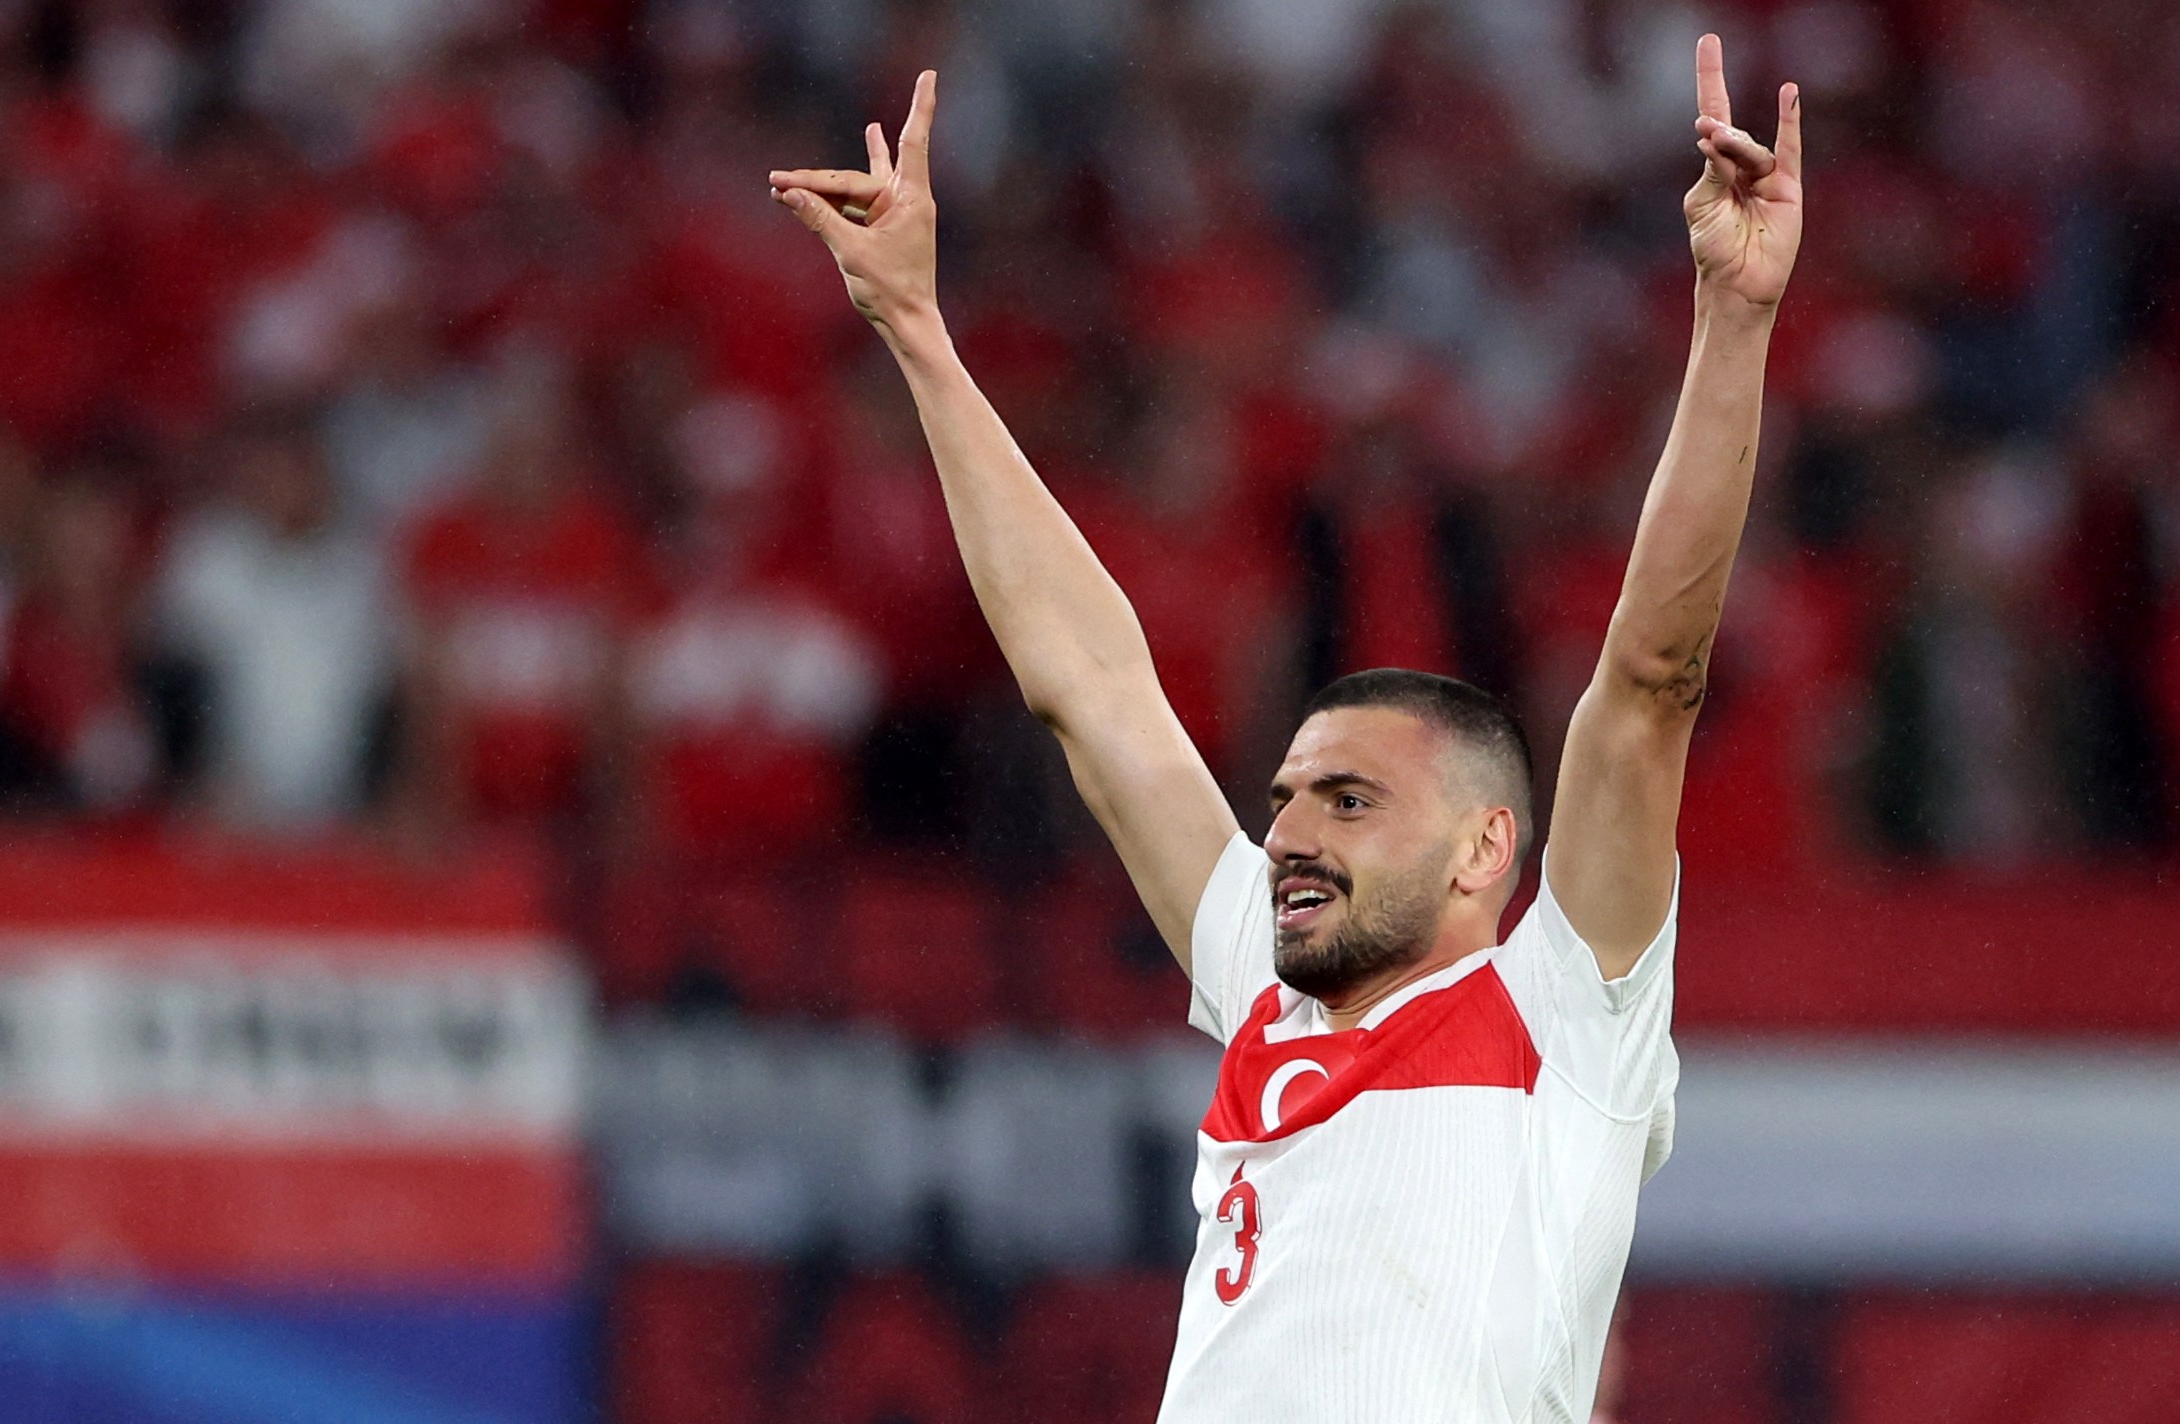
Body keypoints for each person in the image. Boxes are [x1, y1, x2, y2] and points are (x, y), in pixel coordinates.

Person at [770, 34, 1802, 1423]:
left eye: (1348, 801)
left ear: (1484, 850)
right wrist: (918, 334)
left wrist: (1731, 327)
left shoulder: (1566, 1011)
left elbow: (1647, 680)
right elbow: (1093, 687)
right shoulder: (1265, 975)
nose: (1289, 829)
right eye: (1291, 796)